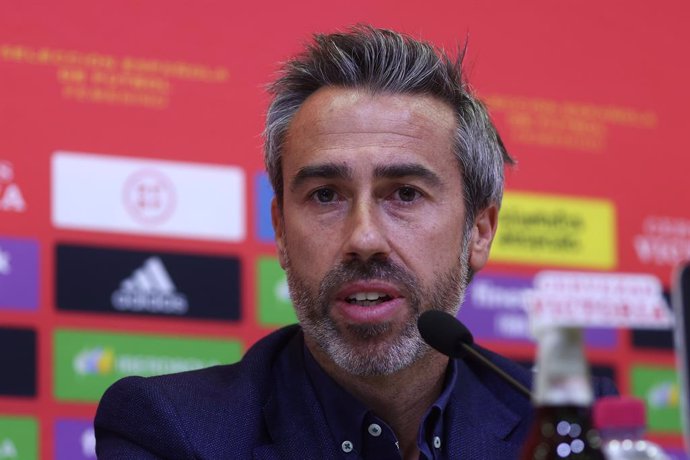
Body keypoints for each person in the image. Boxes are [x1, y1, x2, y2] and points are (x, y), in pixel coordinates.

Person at [95, 25, 616, 459]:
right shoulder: (172, 432)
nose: (364, 238)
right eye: (325, 195)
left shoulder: (563, 428)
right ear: (279, 229)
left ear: (478, 232)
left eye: (405, 194)